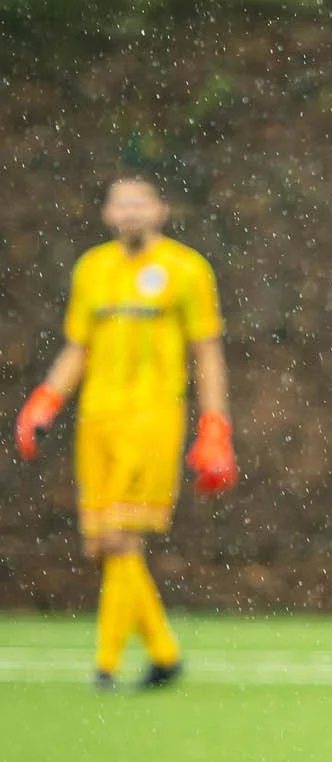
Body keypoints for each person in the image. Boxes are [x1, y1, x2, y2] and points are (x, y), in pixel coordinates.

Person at [15, 174, 238, 688]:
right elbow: (79, 348)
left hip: (153, 417)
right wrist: (44, 401)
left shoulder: (186, 269)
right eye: (122, 204)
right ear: (108, 214)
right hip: (97, 420)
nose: (131, 212)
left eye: (141, 203)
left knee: (120, 539)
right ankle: (163, 654)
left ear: (160, 210)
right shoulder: (92, 269)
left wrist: (215, 424)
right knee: (101, 547)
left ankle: (105, 667)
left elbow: (207, 350)